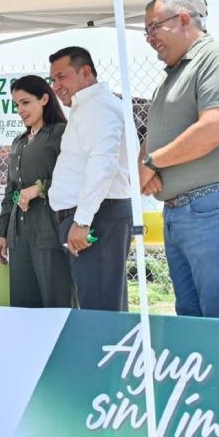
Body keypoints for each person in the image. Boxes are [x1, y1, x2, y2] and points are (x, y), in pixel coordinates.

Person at [139, 0, 219, 320]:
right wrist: (144, 164)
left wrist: (152, 163)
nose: (149, 39)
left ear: (183, 20)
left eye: (154, 27)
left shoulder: (218, 58)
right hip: (183, 210)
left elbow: (213, 129)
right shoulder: (174, 73)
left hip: (214, 205)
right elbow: (156, 133)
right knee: (191, 319)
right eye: (145, 31)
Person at [48, 47, 133, 312]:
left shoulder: (99, 107)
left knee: (100, 309)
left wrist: (82, 220)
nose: (56, 86)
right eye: (53, 80)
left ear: (85, 72)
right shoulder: (86, 106)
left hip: (97, 217)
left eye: (61, 77)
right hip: (93, 215)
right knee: (98, 302)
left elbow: (102, 165)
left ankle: (106, 353)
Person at [0, 75, 74, 309]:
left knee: (56, 301)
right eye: (16, 104)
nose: (20, 110)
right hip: (19, 235)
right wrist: (2, 233)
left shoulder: (61, 133)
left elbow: (76, 175)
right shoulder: (19, 142)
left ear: (44, 99)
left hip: (50, 229)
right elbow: (13, 191)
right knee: (23, 306)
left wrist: (40, 188)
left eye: (26, 102)